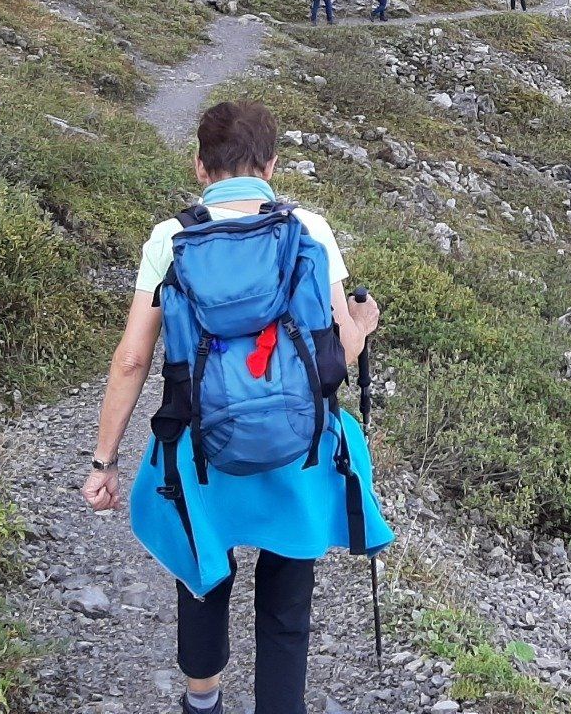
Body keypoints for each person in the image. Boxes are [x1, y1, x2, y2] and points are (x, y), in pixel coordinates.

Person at [82, 100, 390, 714]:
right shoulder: (309, 228)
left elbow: (131, 360)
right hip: (298, 446)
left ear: (200, 167)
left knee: (202, 568)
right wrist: (363, 322)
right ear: (271, 166)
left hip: (201, 447)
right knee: (287, 597)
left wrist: (105, 461)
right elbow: (337, 351)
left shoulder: (170, 239)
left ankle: (202, 701)